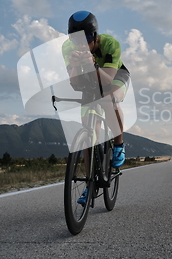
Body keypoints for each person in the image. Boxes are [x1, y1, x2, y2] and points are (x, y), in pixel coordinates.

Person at [62, 11, 130, 204]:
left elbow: (108, 80)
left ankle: (118, 145)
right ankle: (90, 183)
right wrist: (75, 67)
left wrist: (93, 65)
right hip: (89, 80)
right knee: (88, 131)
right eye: (76, 40)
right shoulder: (67, 48)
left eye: (87, 39)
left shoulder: (110, 44)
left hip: (113, 76)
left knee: (109, 99)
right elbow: (75, 83)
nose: (82, 45)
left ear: (95, 36)